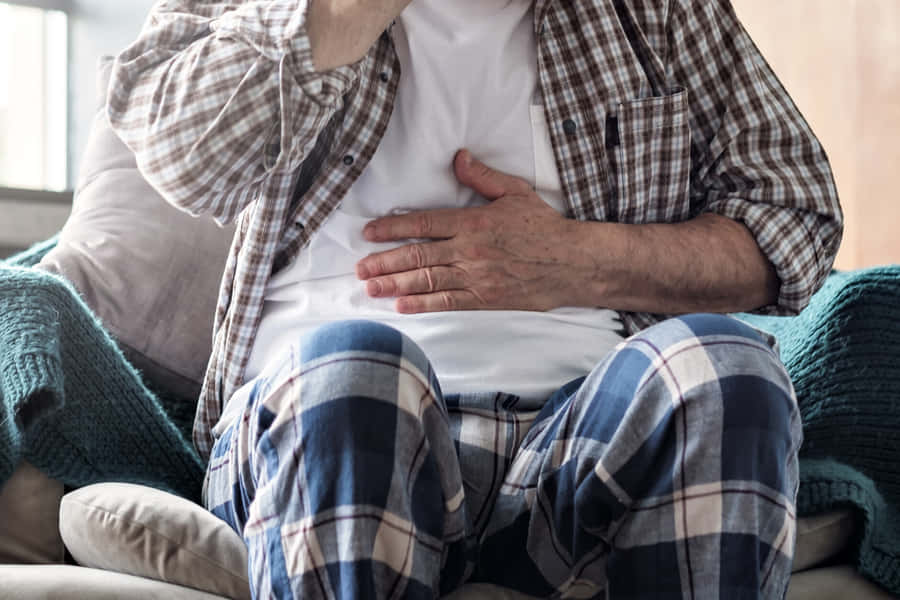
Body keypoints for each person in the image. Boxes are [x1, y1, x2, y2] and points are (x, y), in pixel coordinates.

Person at [107, 0, 842, 597]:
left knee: (726, 369)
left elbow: (798, 222)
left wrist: (579, 260)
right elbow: (181, 161)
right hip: (332, 422)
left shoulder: (659, 14)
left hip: (581, 435)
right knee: (355, 370)